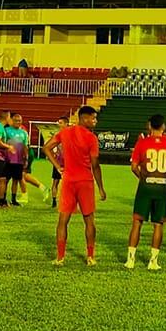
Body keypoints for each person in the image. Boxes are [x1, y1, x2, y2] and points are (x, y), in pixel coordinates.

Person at [51, 104, 106, 265]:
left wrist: (57, 165)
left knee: (63, 220)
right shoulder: (91, 138)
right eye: (93, 118)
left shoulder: (65, 132)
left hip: (68, 180)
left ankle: (60, 257)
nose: (95, 121)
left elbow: (47, 147)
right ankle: (90, 256)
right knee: (89, 220)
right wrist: (101, 187)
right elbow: (95, 165)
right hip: (85, 181)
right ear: (84, 118)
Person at [126, 114, 166, 270]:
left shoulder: (142, 144)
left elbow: (134, 167)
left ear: (149, 126)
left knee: (137, 222)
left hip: (145, 186)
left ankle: (131, 260)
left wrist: (143, 178)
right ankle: (153, 261)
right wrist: (162, 178)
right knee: (158, 224)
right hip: (161, 186)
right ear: (163, 127)